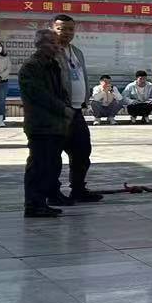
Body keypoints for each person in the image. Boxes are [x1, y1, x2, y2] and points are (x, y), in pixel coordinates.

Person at [50, 13, 101, 204]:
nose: (66, 33)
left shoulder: (76, 51)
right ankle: (52, 193)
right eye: (61, 29)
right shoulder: (50, 52)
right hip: (59, 112)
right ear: (52, 29)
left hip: (77, 110)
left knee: (82, 151)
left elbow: (81, 76)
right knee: (53, 155)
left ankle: (78, 189)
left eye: (70, 29)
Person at [18, 29, 68, 218]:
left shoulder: (53, 65)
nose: (57, 47)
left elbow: (60, 91)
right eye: (52, 43)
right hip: (40, 124)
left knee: (50, 164)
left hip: (55, 124)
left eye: (57, 43)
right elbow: (40, 95)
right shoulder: (31, 67)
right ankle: (33, 205)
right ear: (40, 45)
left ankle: (43, 201)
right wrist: (63, 109)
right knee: (38, 165)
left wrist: (65, 108)